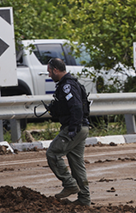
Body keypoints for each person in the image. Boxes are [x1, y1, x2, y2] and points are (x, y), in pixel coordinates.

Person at [45, 57, 91, 205]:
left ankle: (70, 184)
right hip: (81, 127)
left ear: (56, 70)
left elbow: (76, 107)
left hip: (75, 128)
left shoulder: (67, 86)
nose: (49, 75)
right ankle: (84, 200)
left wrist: (72, 128)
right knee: (77, 164)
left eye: (50, 72)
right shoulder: (67, 84)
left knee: (52, 153)